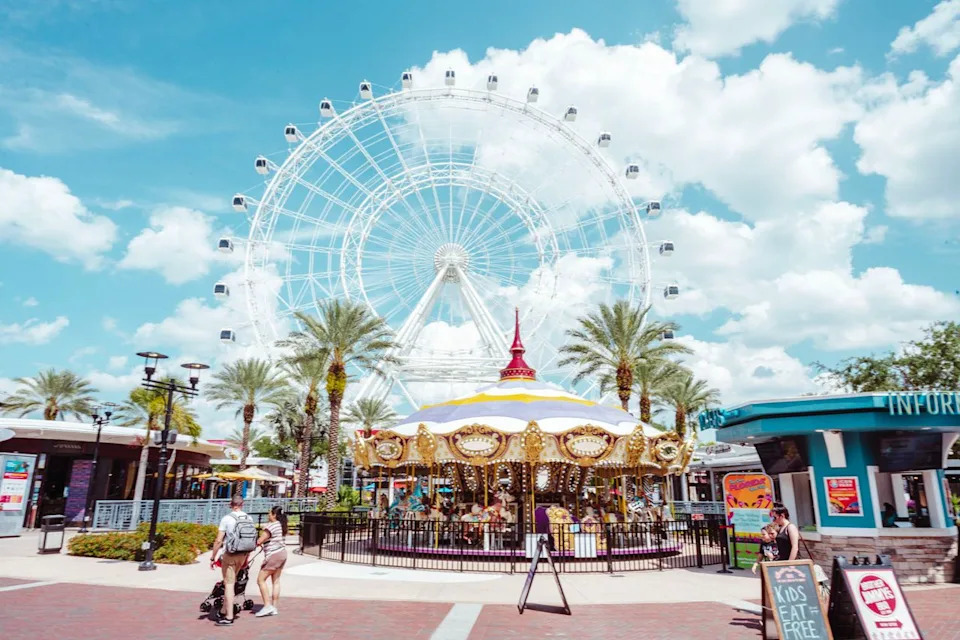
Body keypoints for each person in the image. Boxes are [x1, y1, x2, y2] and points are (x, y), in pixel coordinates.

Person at [210, 494, 251, 626]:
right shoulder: (248, 518)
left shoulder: (227, 519)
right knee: (232, 581)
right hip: (243, 554)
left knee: (228, 584)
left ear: (230, 504)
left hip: (230, 554)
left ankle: (228, 617)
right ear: (242, 504)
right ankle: (223, 610)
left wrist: (213, 556)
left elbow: (218, 540)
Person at [254, 505, 288, 618]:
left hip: (273, 555)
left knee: (260, 580)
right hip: (282, 553)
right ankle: (274, 607)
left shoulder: (272, 526)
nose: (268, 515)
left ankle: (267, 606)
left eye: (270, 513)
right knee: (276, 581)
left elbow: (260, 540)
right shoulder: (281, 525)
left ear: (274, 515)